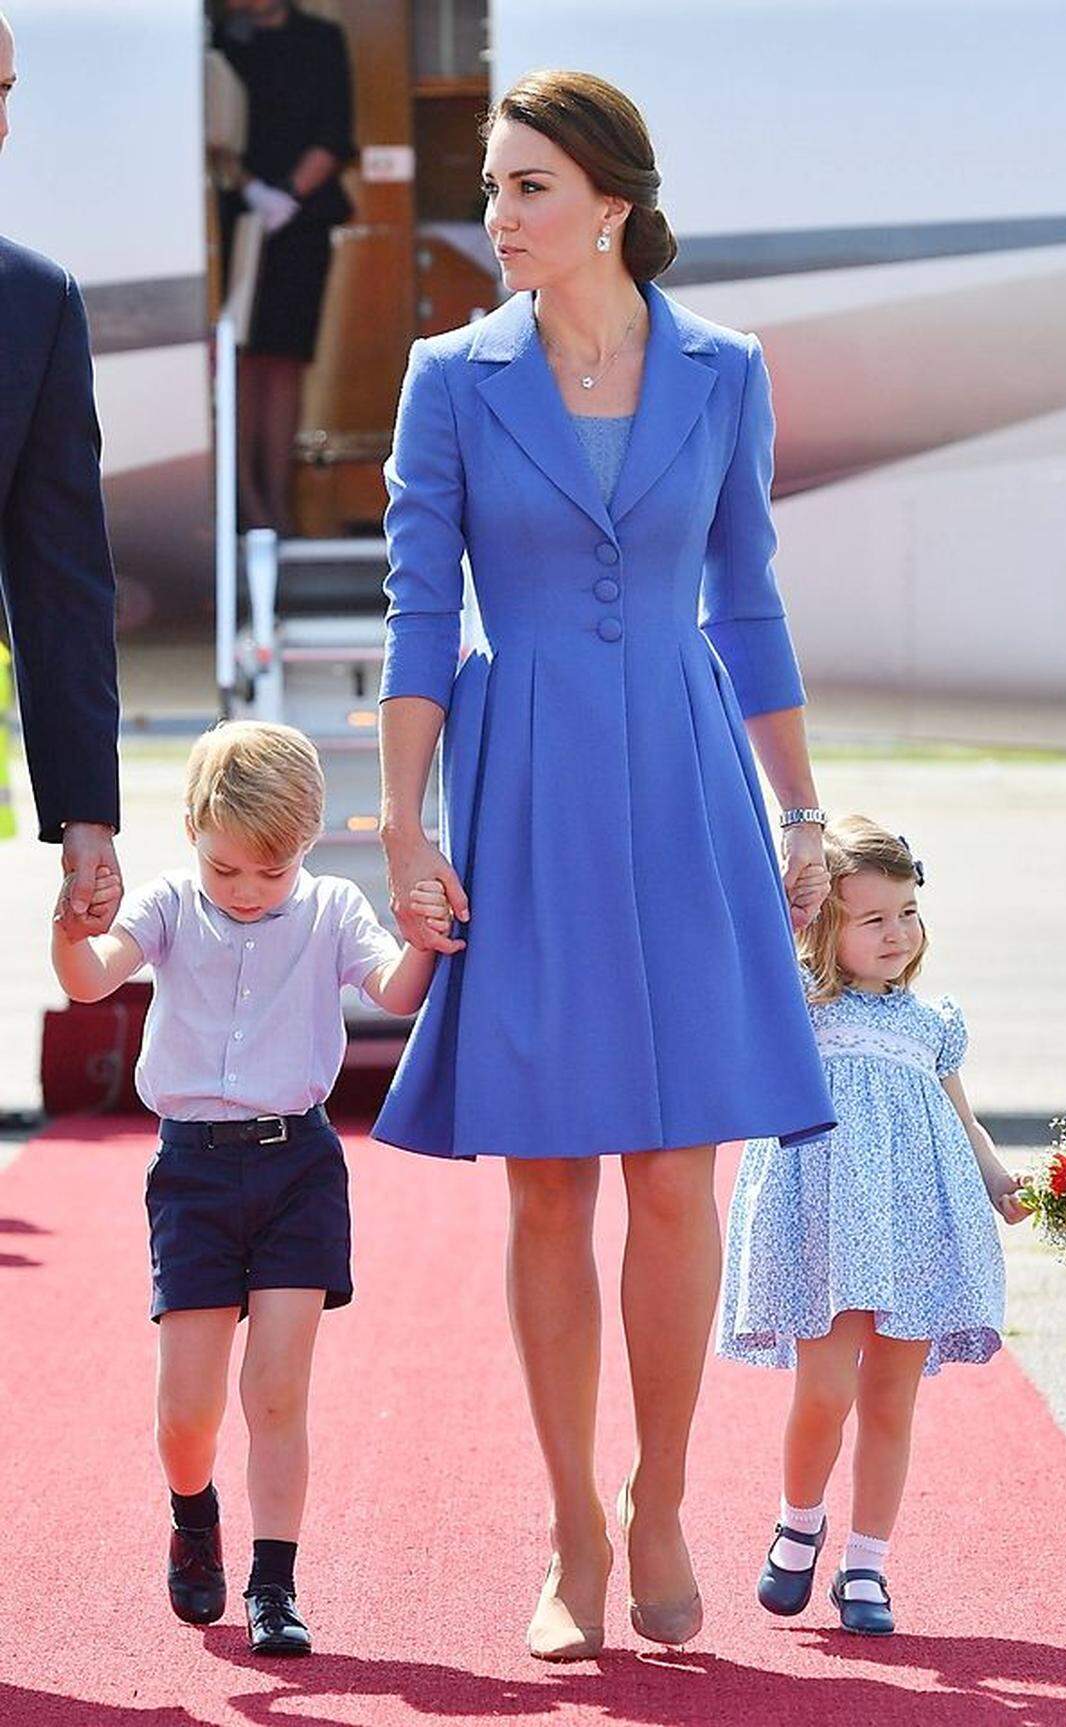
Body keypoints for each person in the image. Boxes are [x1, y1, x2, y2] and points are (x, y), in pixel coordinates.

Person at [373, 69, 835, 1660]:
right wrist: (407, 820)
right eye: (494, 187)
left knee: (677, 1168)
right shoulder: (449, 376)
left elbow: (752, 600)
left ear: (611, 206)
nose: (496, 217)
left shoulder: (725, 370)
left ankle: (662, 1494)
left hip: (693, 785)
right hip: (533, 794)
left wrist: (801, 809)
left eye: (526, 190)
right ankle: (572, 1512)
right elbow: (419, 611)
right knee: (553, 1174)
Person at [50, 720, 453, 1657]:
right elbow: (88, 979)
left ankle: (275, 1584)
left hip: (298, 1168)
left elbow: (395, 990)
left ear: (306, 847)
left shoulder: (329, 908)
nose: (245, 892)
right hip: (191, 1172)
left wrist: (425, 936)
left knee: (277, 1389)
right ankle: (195, 1512)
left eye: (270, 874)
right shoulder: (166, 906)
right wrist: (72, 929)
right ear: (193, 830)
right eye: (226, 870)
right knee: (186, 1412)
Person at [717, 816, 1029, 1636]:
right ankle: (798, 1522)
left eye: (908, 912)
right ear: (827, 926)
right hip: (828, 1230)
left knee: (891, 1400)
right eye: (873, 918)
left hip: (917, 1227)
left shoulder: (934, 1024)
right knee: (824, 1390)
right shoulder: (801, 1008)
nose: (899, 933)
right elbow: (743, 959)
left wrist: (998, 1178)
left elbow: (966, 1122)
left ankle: (867, 1564)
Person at [0, 9, 121, 933]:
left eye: (6, 94)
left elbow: (62, 578)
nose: (5, 126)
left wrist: (87, 810)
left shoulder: (36, 305)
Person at [213, 0, 355, 533]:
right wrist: (251, 190)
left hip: (299, 220)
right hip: (232, 217)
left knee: (285, 360)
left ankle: (279, 504)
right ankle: (247, 506)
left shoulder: (320, 38)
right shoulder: (220, 39)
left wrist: (288, 196)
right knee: (240, 359)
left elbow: (336, 133)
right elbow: (211, 129)